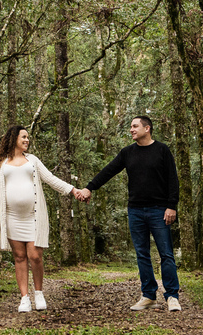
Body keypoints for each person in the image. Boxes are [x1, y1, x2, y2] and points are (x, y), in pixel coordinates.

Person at [75, 115, 181, 312]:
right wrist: (89, 188)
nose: (131, 129)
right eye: (131, 126)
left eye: (135, 126)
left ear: (147, 128)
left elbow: (172, 180)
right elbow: (108, 171)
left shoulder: (162, 150)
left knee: (166, 254)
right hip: (136, 210)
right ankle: (148, 295)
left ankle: (172, 296)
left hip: (159, 210)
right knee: (142, 254)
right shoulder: (127, 153)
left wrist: (171, 206)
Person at [0, 125, 78, 313]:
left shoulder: (33, 161)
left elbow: (51, 178)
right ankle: (24, 298)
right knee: (19, 257)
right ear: (13, 138)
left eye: (28, 137)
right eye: (24, 137)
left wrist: (72, 190)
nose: (27, 140)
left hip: (33, 216)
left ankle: (39, 293)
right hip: (11, 217)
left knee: (35, 256)